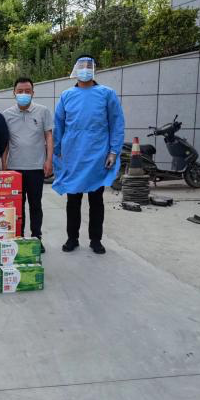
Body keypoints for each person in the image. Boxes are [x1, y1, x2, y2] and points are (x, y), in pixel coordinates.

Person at [52, 55, 125, 254]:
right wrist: (57, 152)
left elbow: (117, 124)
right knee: (73, 200)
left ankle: (95, 240)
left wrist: (113, 151)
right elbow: (58, 125)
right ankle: (72, 238)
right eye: (81, 65)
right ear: (75, 69)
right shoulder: (66, 95)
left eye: (88, 65)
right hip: (73, 154)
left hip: (97, 154)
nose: (84, 69)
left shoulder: (107, 94)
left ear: (94, 69)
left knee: (96, 200)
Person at [2, 77, 53, 245]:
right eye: (20, 91)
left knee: (35, 205)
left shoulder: (43, 111)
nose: (24, 94)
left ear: (33, 93)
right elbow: (5, 142)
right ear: (14, 93)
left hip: (36, 167)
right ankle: (19, 238)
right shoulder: (7, 114)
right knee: (17, 206)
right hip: (14, 168)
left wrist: (49, 160)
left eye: (27, 91)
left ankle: (36, 238)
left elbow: (49, 136)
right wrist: (4, 164)